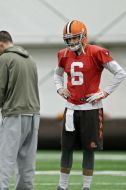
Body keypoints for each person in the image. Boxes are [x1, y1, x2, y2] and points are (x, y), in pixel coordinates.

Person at [54, 20, 126, 190]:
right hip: (71, 108)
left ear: (83, 36)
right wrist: (60, 88)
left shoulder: (97, 52)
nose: (71, 42)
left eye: (74, 38)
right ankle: (62, 186)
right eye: (68, 39)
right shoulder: (63, 54)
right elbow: (57, 75)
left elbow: (120, 73)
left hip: (91, 110)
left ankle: (86, 187)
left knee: (89, 149)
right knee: (66, 148)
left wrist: (105, 92)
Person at [0, 31, 40, 190]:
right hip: (33, 115)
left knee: (3, 161)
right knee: (27, 163)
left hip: (14, 115)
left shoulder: (5, 58)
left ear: (0, 44)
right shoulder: (31, 60)